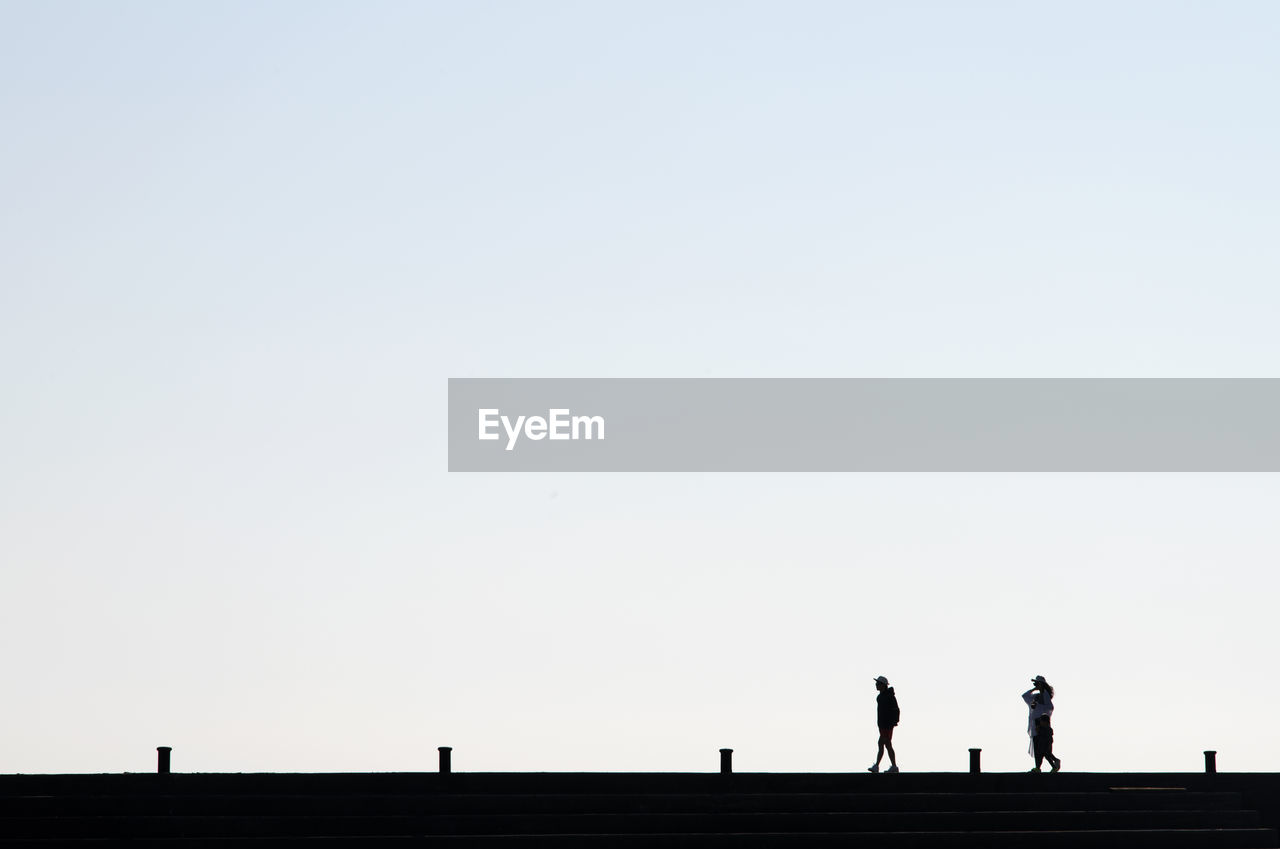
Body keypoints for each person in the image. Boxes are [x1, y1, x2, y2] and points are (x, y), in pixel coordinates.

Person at [1022, 675, 1061, 773]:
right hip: (1035, 726)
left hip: (1042, 726)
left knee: (1043, 749)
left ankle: (1054, 763)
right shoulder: (1035, 697)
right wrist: (1034, 689)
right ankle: (1038, 767)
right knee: (1037, 749)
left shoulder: (1045, 696)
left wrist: (1042, 719)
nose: (1036, 685)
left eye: (1037, 683)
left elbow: (1049, 708)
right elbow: (1024, 696)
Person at [868, 676, 900, 773]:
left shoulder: (889, 696)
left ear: (883, 685)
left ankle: (886, 766)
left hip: (887, 725)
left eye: (878, 683)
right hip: (882, 725)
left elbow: (896, 710)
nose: (876, 685)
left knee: (886, 744)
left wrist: (893, 722)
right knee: (883, 744)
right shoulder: (881, 697)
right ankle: (883, 766)